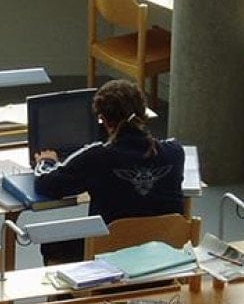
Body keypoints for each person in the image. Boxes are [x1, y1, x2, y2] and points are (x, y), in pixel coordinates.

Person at [33, 79, 185, 266]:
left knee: (52, 245)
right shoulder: (175, 152)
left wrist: (46, 161)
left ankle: (69, 287)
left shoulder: (97, 157)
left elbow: (46, 184)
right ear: (143, 112)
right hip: (163, 255)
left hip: (110, 255)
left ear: (103, 120)